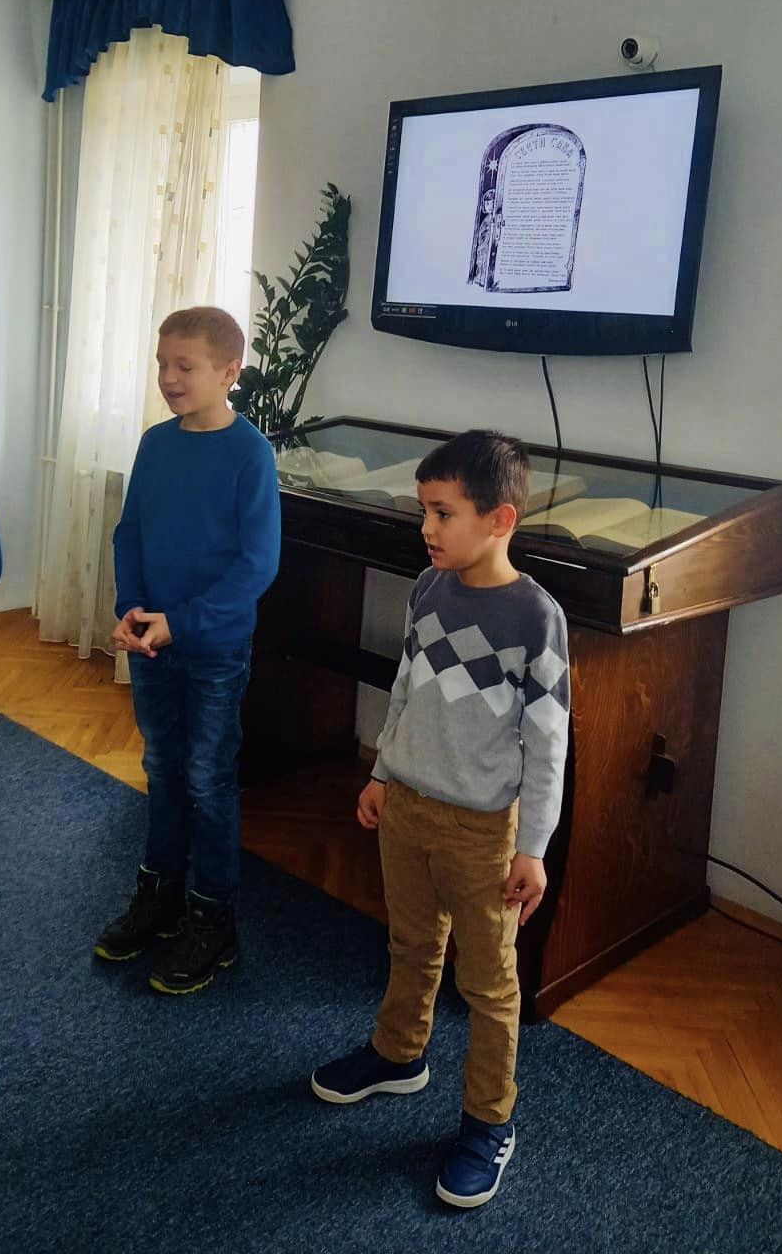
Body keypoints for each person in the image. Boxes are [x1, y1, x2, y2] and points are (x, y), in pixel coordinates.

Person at [310, 429, 570, 1210]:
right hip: (408, 809)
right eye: (424, 510)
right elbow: (405, 689)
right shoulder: (429, 588)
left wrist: (534, 847)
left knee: (489, 985)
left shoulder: (536, 618)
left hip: (482, 833)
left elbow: (548, 744)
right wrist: (383, 772)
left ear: (500, 519)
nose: (426, 527)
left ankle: (490, 1121)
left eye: (443, 513)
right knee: (412, 943)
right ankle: (398, 1053)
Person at [93, 306, 281, 995]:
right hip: (153, 642)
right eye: (161, 364)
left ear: (229, 372)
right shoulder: (155, 443)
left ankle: (213, 916)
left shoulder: (250, 455)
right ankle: (161, 896)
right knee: (162, 769)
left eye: (185, 366)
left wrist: (185, 622)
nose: (169, 378)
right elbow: (131, 533)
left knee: (207, 778)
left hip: (213, 649)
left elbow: (257, 566)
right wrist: (132, 608)